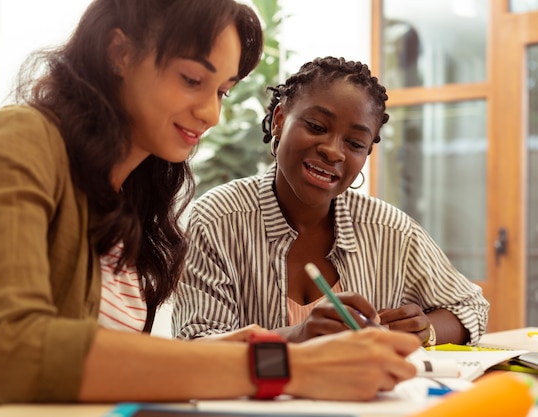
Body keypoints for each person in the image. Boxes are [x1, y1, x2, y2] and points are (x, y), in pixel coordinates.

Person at [0, 2, 422, 415]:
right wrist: (289, 366)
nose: (212, 113)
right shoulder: (21, 139)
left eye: (222, 90)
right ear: (120, 52)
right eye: (192, 80)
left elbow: (107, 355)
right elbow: (13, 348)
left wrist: (246, 351)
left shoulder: (135, 191)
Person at [172, 56, 490, 346]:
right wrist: (297, 336)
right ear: (280, 119)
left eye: (354, 143)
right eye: (316, 127)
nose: (333, 151)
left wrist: (426, 330)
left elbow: (471, 307)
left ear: (366, 154)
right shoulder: (217, 219)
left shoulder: (390, 230)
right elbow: (194, 347)